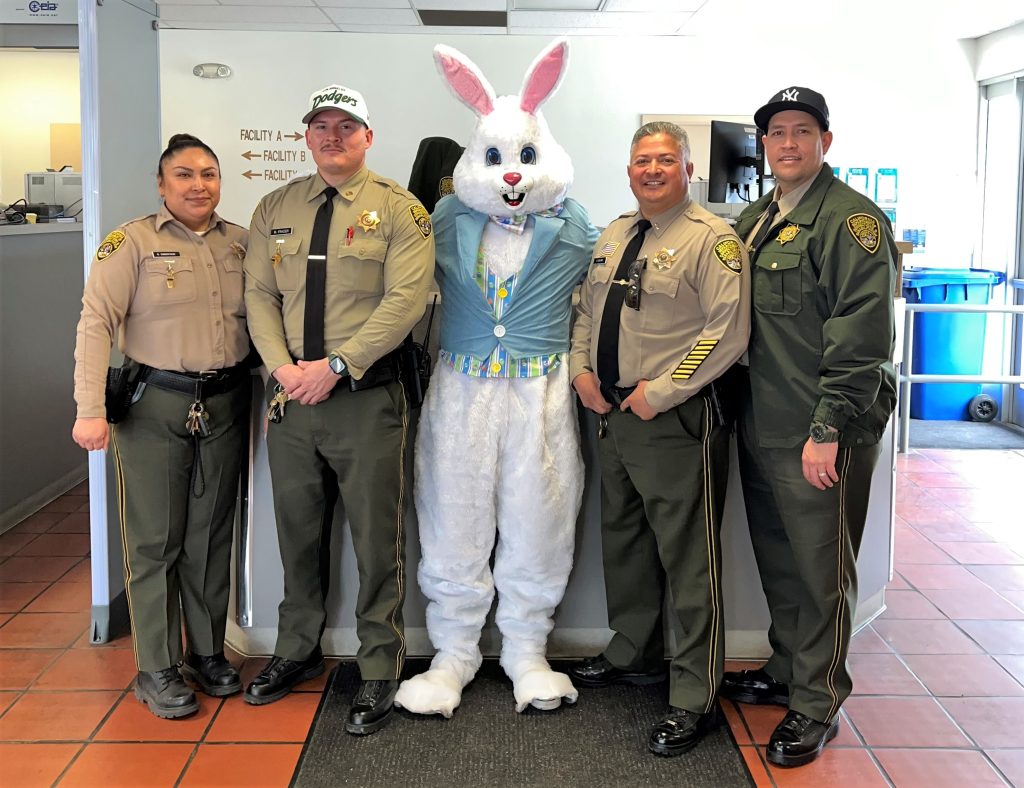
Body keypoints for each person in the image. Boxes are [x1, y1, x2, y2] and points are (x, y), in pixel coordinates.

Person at [242, 83, 434, 736]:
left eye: (345, 126)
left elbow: (405, 301)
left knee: (378, 543)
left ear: (367, 136)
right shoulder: (276, 207)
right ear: (308, 136)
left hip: (366, 401)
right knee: (297, 535)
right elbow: (260, 296)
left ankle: (380, 667)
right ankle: (297, 650)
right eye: (320, 125)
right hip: (292, 401)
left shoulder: (401, 211)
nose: (332, 136)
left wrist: (337, 366)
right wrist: (284, 369)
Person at [722, 87, 897, 768]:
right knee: (781, 558)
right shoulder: (759, 216)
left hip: (822, 430)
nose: (787, 144)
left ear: (826, 140)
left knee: (822, 569)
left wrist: (828, 426)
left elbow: (860, 339)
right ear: (762, 144)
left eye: (802, 131)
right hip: (764, 422)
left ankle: (818, 703)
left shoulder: (851, 222)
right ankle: (789, 668)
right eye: (775, 133)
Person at [567, 121, 750, 756]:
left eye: (664, 161)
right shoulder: (615, 234)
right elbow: (587, 311)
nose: (651, 170)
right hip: (612, 414)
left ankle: (694, 693)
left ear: (688, 168)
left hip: (675, 421)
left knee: (690, 559)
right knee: (623, 543)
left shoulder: (712, 241)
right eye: (642, 160)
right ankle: (633, 653)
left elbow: (726, 332)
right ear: (628, 170)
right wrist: (580, 370)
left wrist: (664, 389)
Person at [72, 134, 251, 719]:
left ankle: (205, 652)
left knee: (210, 537)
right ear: (161, 184)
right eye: (183, 175)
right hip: (154, 406)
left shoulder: (242, 244)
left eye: (208, 174)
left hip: (224, 403)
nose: (198, 185)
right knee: (155, 542)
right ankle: (156, 666)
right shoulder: (132, 243)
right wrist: (88, 410)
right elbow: (96, 323)